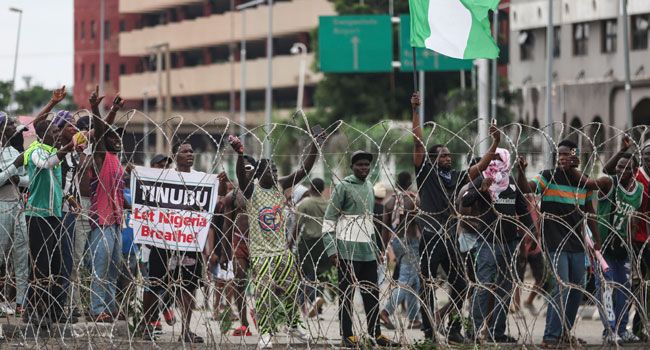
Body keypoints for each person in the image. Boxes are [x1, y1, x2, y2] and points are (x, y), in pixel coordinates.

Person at [410, 92, 499, 343]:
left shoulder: (456, 178)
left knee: (461, 284)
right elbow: (417, 143)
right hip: (430, 235)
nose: (448, 158)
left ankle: (453, 330)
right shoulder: (425, 172)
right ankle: (428, 333)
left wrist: (495, 143)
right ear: (433, 158)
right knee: (427, 285)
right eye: (443, 156)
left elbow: (480, 167)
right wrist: (415, 110)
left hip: (449, 236)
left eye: (449, 156)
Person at [229, 132, 321, 349]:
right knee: (264, 296)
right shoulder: (252, 191)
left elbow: (304, 170)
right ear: (260, 174)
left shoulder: (280, 186)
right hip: (262, 254)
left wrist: (315, 144)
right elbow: (242, 177)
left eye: (276, 169)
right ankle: (266, 333)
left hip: (282, 252)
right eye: (270, 170)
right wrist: (240, 154)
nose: (275, 172)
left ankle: (292, 324)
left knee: (291, 290)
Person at [516, 139, 602, 348]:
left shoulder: (583, 182)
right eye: (560, 154)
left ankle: (564, 331)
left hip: (576, 242)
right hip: (555, 242)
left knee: (577, 288)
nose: (563, 158)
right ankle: (550, 337)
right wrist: (521, 171)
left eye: (568, 154)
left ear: (576, 158)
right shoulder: (548, 176)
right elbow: (528, 188)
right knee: (562, 288)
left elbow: (589, 212)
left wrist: (597, 239)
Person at [141, 141, 226, 343]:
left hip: (189, 242)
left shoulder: (202, 179)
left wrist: (221, 183)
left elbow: (214, 205)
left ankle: (185, 330)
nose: (190, 154)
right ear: (175, 155)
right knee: (155, 283)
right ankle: (146, 325)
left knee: (188, 286)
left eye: (191, 151)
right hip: (163, 241)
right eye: (185, 151)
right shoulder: (163, 177)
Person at [322, 150, 399, 348]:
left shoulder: (368, 188)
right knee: (347, 296)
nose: (364, 168)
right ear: (352, 167)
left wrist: (377, 248)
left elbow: (369, 223)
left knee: (371, 295)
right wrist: (332, 250)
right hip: (347, 251)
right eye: (360, 165)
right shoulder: (343, 188)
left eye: (367, 165)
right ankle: (347, 335)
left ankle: (375, 334)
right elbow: (329, 220)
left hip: (367, 253)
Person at [460, 147, 533, 343]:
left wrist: (531, 233)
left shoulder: (511, 185)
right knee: (483, 288)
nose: (497, 162)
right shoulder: (484, 179)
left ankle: (496, 333)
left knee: (505, 289)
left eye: (501, 158)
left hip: (509, 244)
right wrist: (480, 188)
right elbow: (465, 201)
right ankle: (472, 332)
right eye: (494, 158)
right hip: (488, 243)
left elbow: (523, 210)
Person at [21, 118, 75, 328]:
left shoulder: (54, 152)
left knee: (54, 265)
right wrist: (68, 148)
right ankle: (34, 310)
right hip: (37, 215)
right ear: (42, 133)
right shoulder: (36, 150)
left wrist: (67, 198)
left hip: (54, 214)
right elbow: (46, 164)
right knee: (40, 265)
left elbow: (55, 183)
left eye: (56, 131)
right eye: (53, 131)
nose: (56, 134)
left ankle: (49, 310)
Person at [591, 152, 644, 343]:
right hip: (603, 247)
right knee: (605, 289)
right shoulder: (609, 184)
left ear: (635, 171)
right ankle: (610, 330)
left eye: (626, 168)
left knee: (624, 291)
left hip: (622, 249)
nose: (621, 171)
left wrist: (632, 246)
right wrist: (621, 151)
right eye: (619, 167)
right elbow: (604, 171)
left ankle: (622, 330)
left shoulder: (638, 191)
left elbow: (634, 220)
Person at [85, 88, 126, 323]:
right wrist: (97, 108)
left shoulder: (118, 162)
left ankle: (109, 306)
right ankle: (97, 307)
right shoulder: (100, 156)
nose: (117, 139)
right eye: (113, 136)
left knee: (113, 267)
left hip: (117, 220)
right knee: (101, 265)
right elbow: (99, 134)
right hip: (101, 219)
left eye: (119, 136)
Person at [603, 137, 650, 341]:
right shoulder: (626, 179)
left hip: (637, 240)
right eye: (647, 154)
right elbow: (607, 171)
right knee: (620, 286)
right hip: (621, 241)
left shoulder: (640, 184)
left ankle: (630, 328)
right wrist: (622, 151)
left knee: (637, 287)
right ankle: (614, 330)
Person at [220, 155, 256, 337]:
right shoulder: (232, 196)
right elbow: (227, 226)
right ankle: (244, 324)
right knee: (240, 282)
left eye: (249, 168)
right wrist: (225, 253)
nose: (246, 172)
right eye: (243, 169)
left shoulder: (263, 192)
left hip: (260, 243)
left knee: (265, 284)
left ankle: (260, 313)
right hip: (239, 243)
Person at [379, 172, 421, 330]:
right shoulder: (414, 200)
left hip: (396, 242)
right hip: (410, 242)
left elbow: (385, 229)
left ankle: (414, 319)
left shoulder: (390, 202)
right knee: (405, 280)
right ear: (410, 183)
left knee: (414, 282)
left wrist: (383, 249)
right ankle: (385, 311)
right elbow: (421, 224)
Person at [52, 110, 82, 323]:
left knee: (67, 260)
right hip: (59, 209)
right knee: (59, 259)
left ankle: (61, 305)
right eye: (70, 125)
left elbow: (94, 132)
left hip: (69, 211)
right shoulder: (57, 151)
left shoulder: (73, 151)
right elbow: (57, 181)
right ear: (60, 129)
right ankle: (56, 307)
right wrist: (70, 198)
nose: (75, 129)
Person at [0, 114, 29, 316]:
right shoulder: (13, 155)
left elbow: (29, 179)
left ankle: (21, 302)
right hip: (1, 207)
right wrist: (13, 168)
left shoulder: (13, 151)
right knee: (1, 258)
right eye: (9, 124)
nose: (13, 126)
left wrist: (18, 178)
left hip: (18, 206)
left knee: (20, 255)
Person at [291, 178, 331, 318]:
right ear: (322, 188)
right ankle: (316, 304)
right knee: (319, 274)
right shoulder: (327, 204)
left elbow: (297, 225)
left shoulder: (306, 203)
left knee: (306, 274)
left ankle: (312, 300)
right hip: (325, 243)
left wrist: (290, 243)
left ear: (310, 188)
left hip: (308, 242)